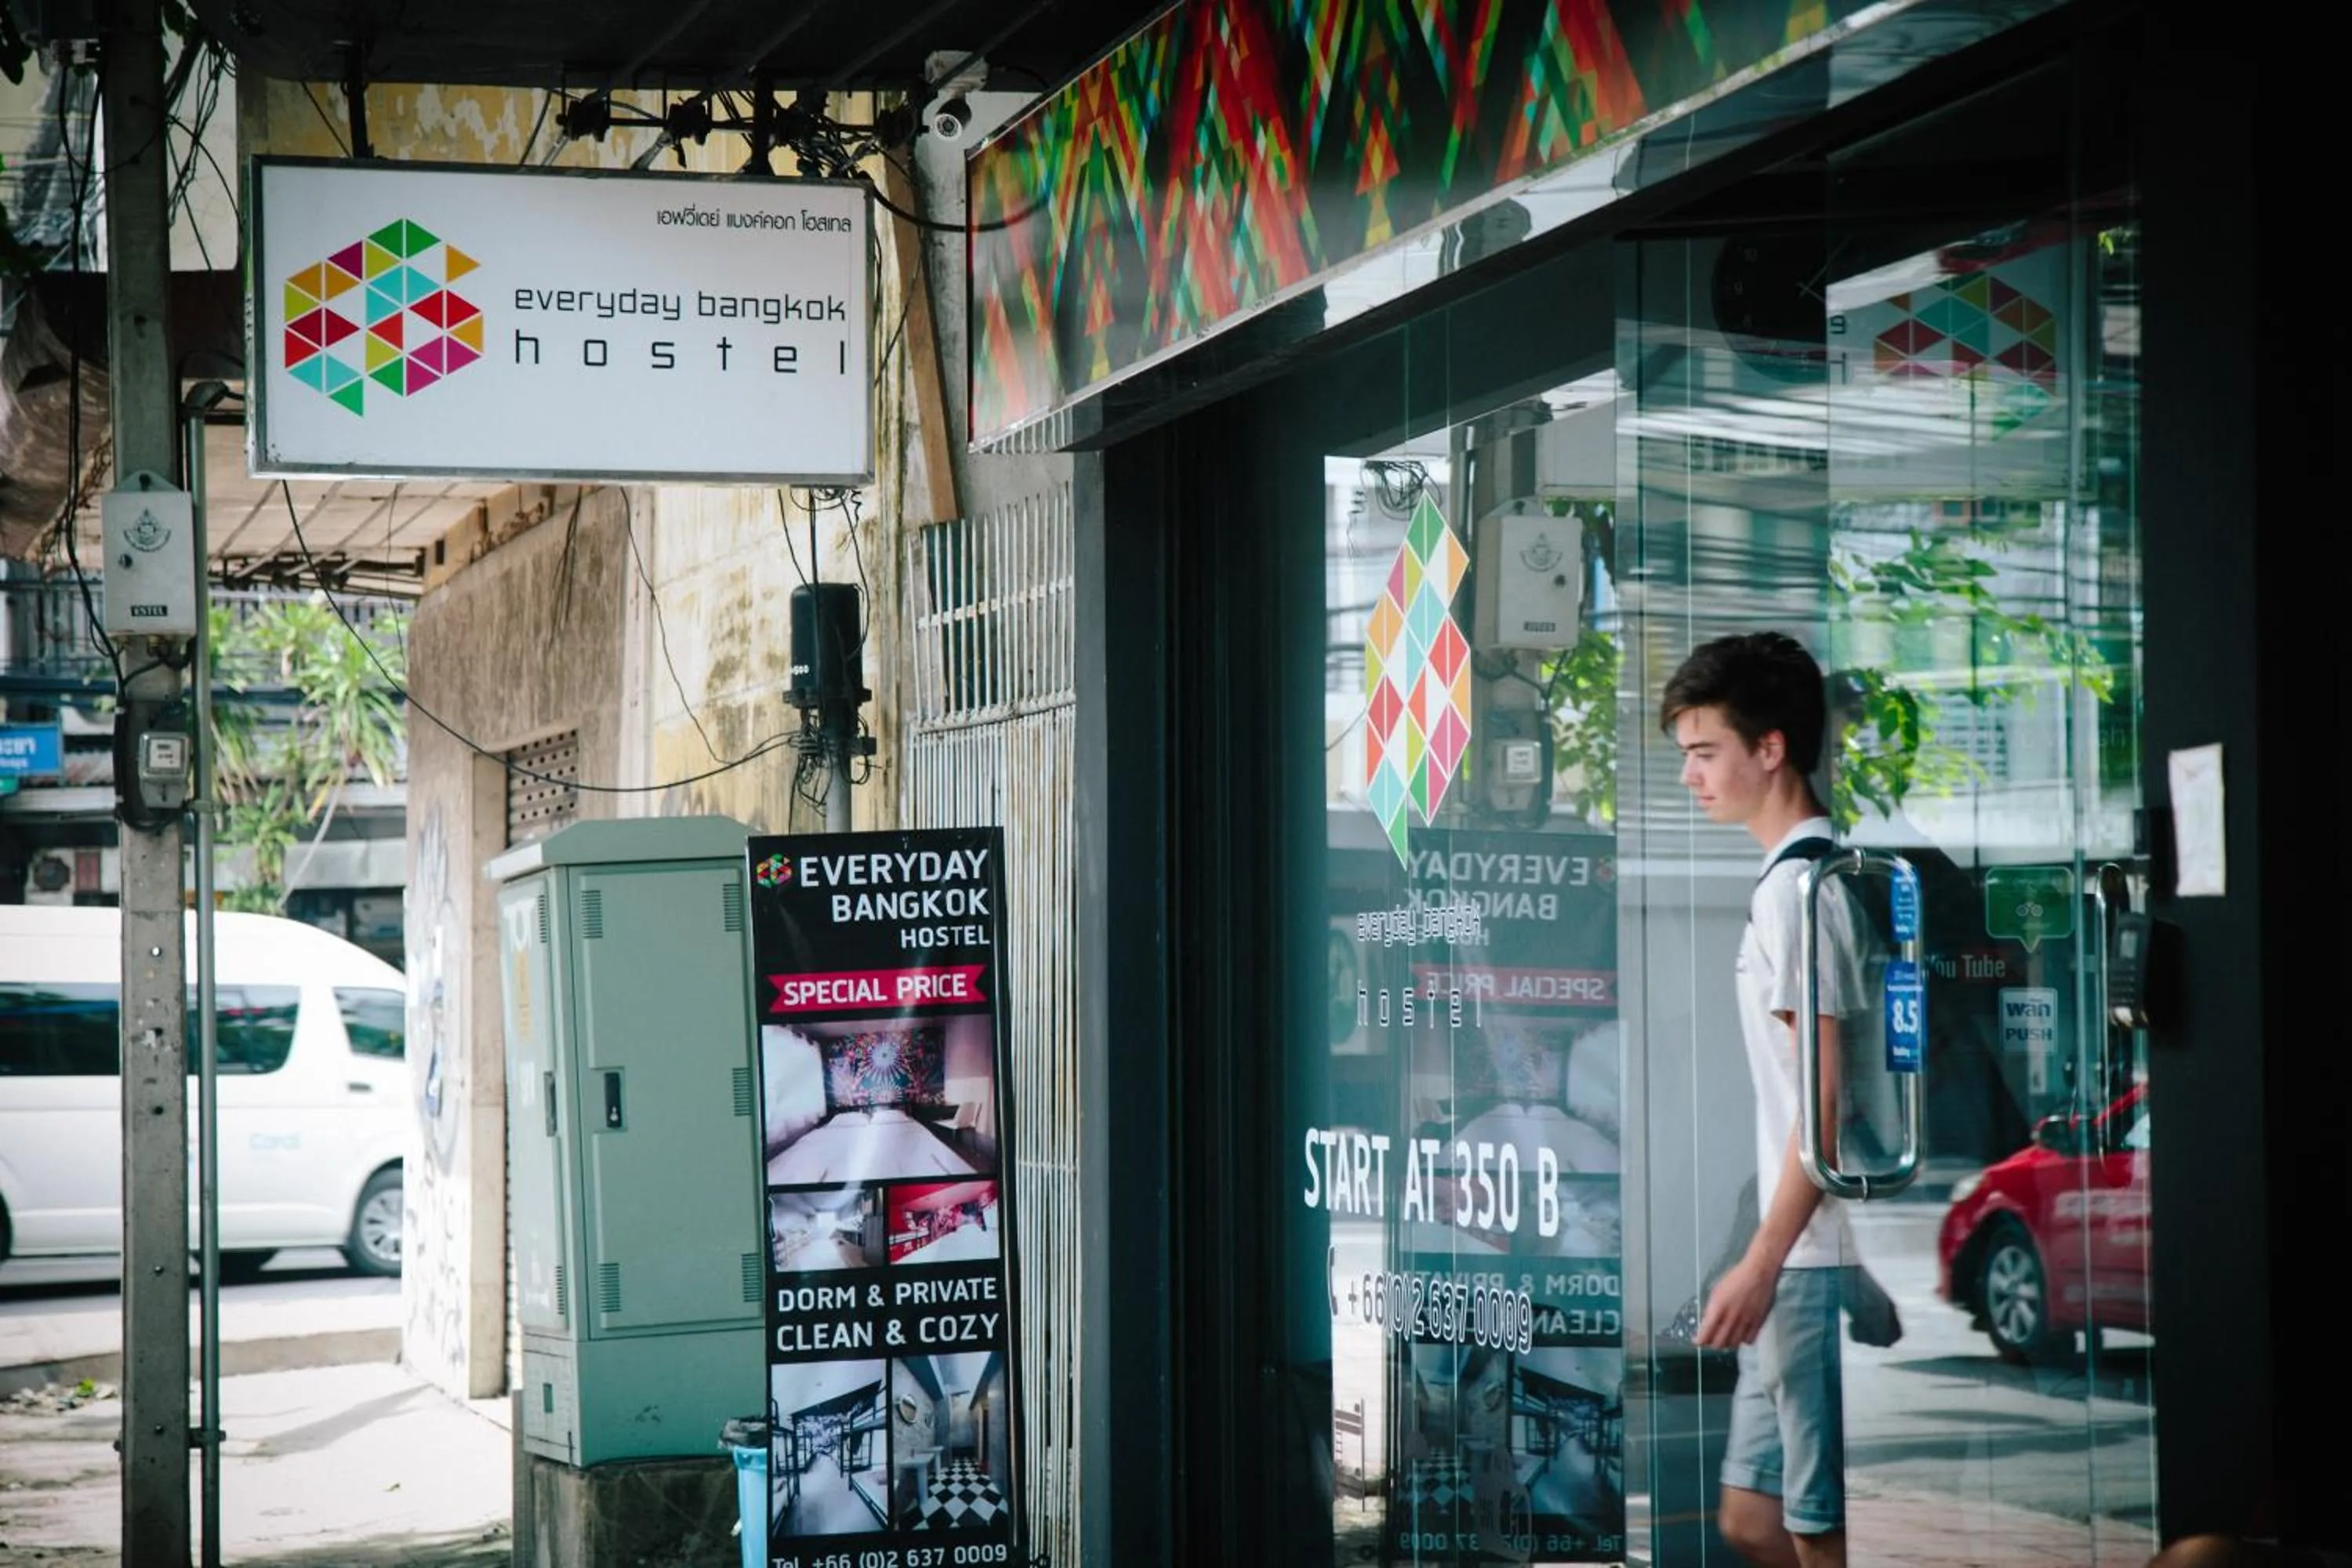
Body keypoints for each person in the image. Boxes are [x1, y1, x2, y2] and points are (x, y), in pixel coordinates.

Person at [1663, 631, 1874, 1568]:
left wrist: (1761, 1264)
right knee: (1753, 1518)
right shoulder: (1793, 883)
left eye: (1705, 753)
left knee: (1811, 1527)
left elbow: (1823, 1102)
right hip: (1807, 1257)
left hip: (1800, 1262)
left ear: (1772, 747)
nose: (1690, 777)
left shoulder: (1803, 891)